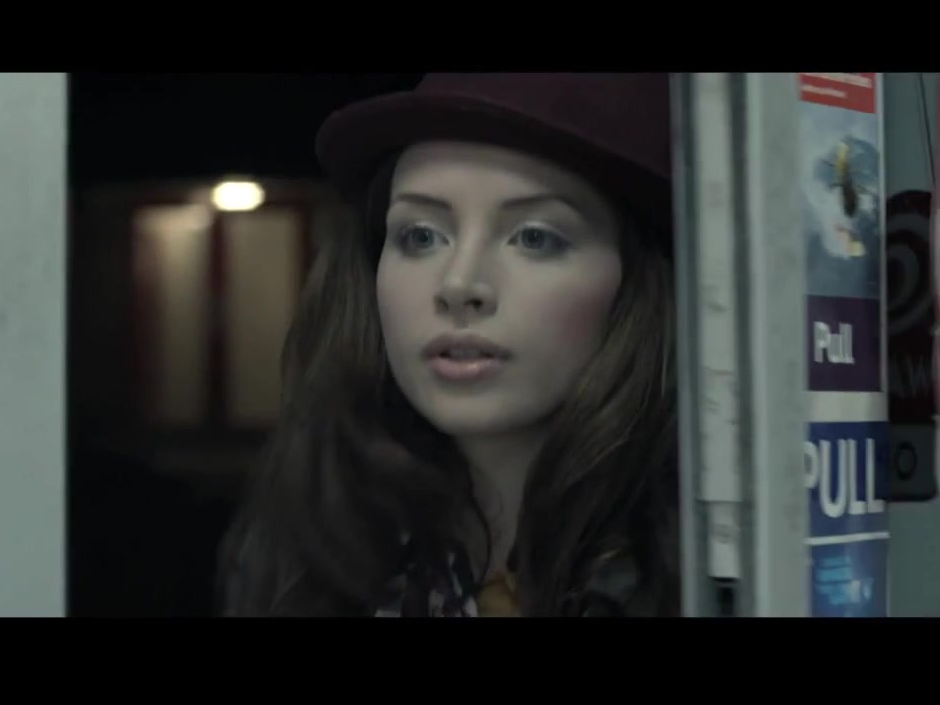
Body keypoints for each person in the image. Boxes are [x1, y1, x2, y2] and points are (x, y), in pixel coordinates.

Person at [217, 73, 679, 617]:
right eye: (421, 236)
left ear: (637, 282)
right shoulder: (306, 555)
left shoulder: (710, 569)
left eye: (534, 237)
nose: (459, 285)